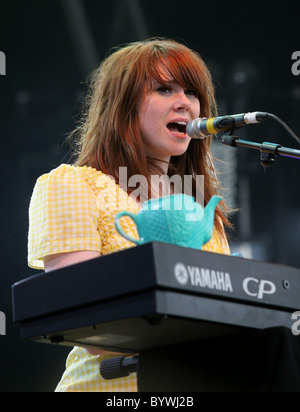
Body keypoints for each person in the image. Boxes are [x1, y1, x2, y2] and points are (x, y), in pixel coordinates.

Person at [27, 38, 232, 392]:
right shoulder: (71, 185)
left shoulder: (201, 208)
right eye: (164, 89)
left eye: (192, 93)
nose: (185, 103)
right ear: (122, 106)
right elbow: (89, 324)